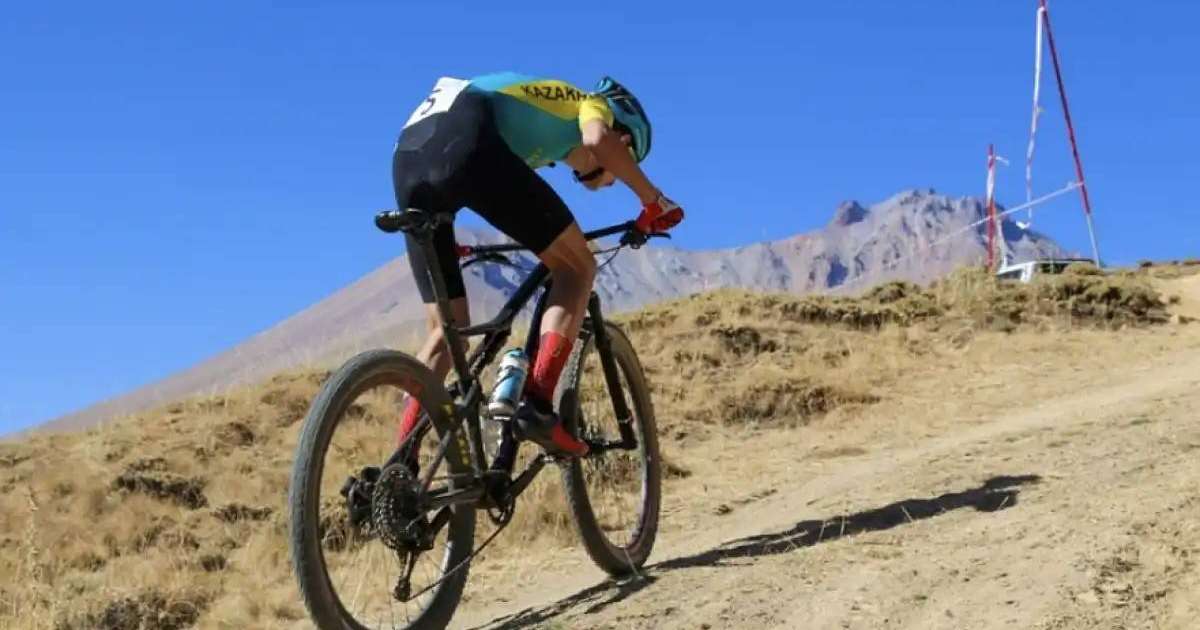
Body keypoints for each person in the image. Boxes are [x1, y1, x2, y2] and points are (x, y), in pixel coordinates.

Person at [391, 72, 683, 461]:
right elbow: (598, 139)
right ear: (623, 140)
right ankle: (538, 402)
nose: (612, 182)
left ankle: (398, 469)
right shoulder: (587, 104)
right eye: (625, 162)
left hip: (408, 159)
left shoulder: (543, 132)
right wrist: (653, 200)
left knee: (449, 334)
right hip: (466, 138)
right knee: (576, 268)